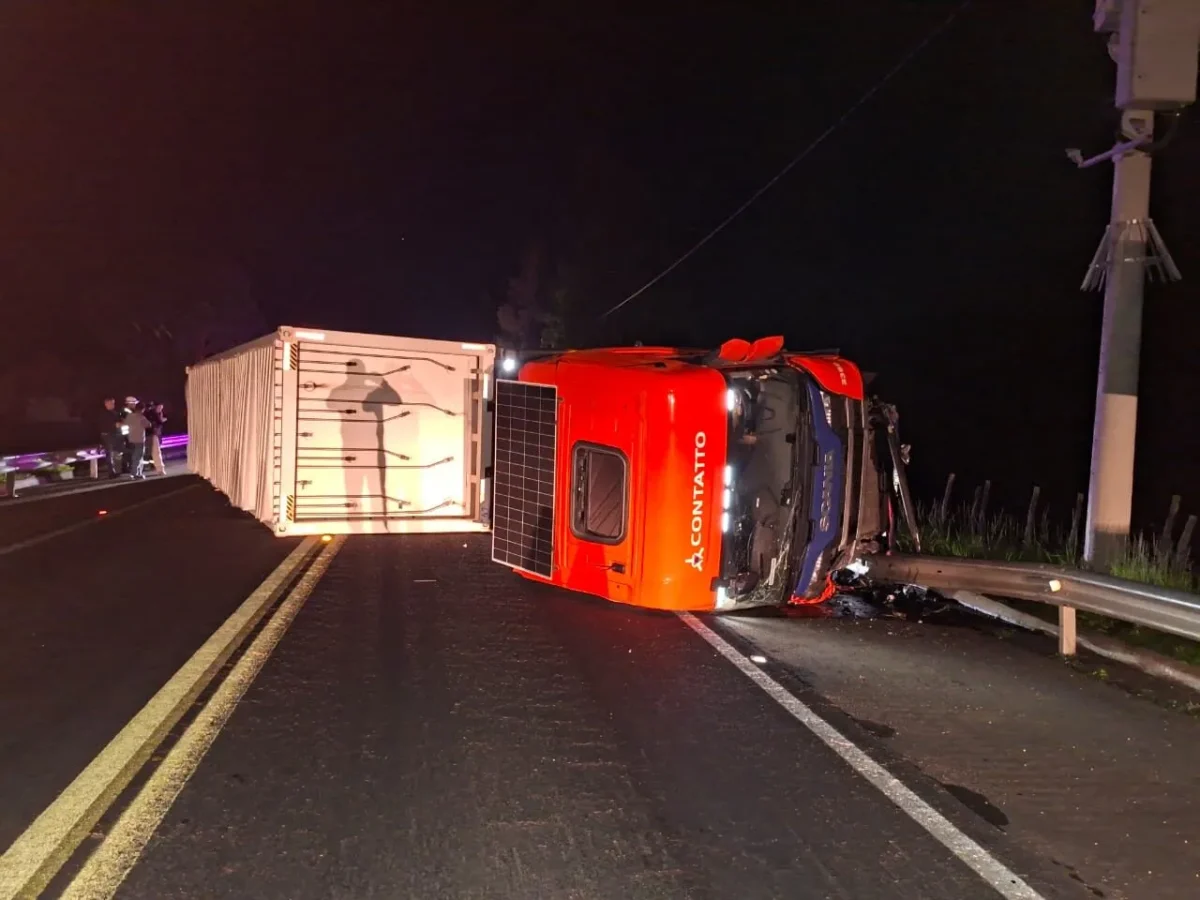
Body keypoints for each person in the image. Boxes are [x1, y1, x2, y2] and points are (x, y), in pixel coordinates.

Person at [123, 402, 152, 479]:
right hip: (139, 439)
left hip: (131, 439)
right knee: (138, 457)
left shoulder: (129, 416)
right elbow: (149, 425)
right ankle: (135, 473)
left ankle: (137, 472)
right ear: (142, 409)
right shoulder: (141, 417)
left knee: (134, 456)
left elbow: (125, 423)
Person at [99, 397, 124, 477]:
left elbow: (120, 421)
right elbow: (104, 425)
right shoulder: (103, 414)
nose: (112, 405)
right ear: (106, 404)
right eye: (110, 403)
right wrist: (115, 425)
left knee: (117, 453)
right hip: (107, 435)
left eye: (113, 403)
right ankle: (111, 472)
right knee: (109, 454)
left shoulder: (115, 413)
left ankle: (117, 470)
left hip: (116, 435)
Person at [145, 402, 167, 475]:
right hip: (151, 434)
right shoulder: (153, 414)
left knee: (153, 451)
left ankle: (138, 470)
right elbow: (159, 422)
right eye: (159, 407)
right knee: (155, 451)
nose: (160, 409)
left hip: (148, 435)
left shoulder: (153, 414)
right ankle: (159, 468)